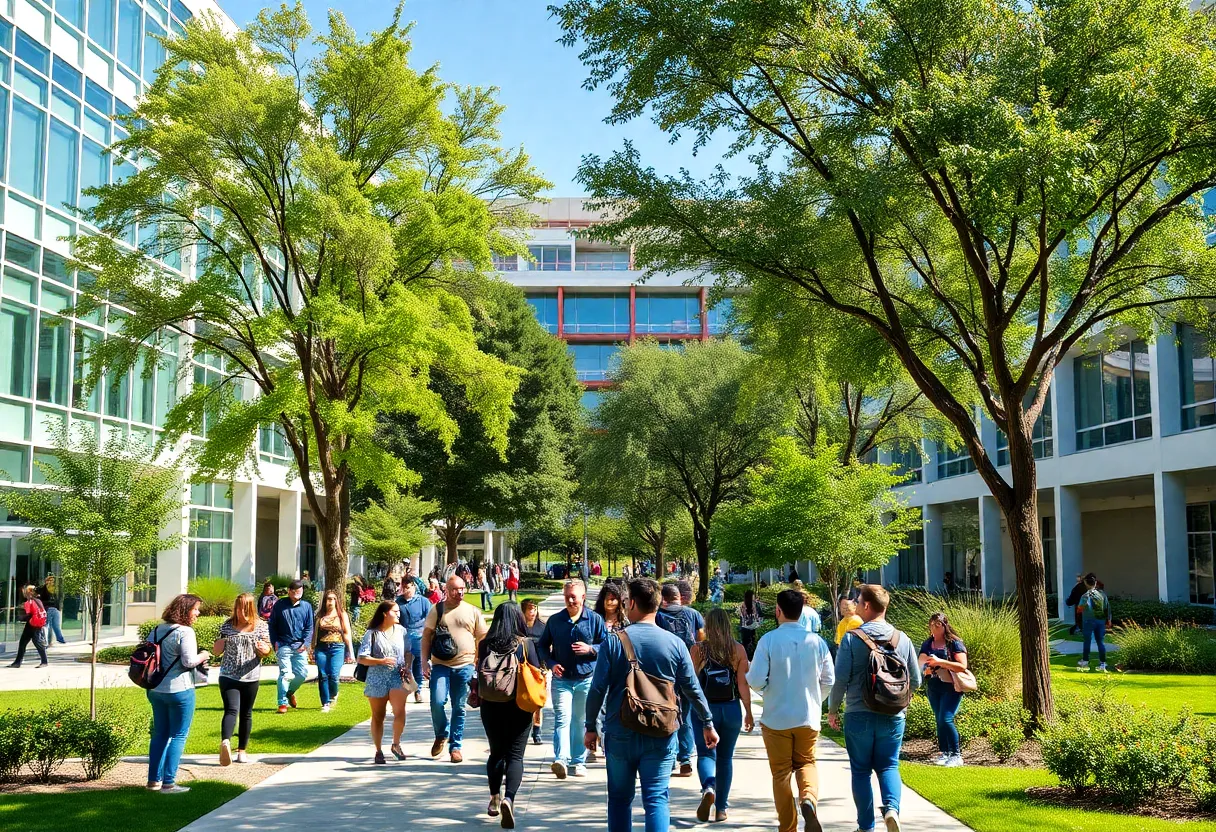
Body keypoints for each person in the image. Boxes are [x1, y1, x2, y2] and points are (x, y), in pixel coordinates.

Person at [585, 577, 719, 832]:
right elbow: (692, 688)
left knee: (619, 799)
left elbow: (597, 689)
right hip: (661, 729)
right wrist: (707, 722)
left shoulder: (614, 642)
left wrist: (590, 726)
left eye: (625, 601)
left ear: (632, 603)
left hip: (620, 729)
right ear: (657, 605)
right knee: (656, 799)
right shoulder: (675, 644)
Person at [828, 584, 922, 832]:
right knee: (889, 765)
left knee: (860, 771)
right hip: (893, 714)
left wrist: (833, 709)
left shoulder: (852, 638)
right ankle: (892, 810)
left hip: (859, 713)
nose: (856, 606)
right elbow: (917, 679)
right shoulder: (902, 639)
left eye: (858, 602)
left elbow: (840, 680)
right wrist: (904, 698)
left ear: (867, 606)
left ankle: (866, 826)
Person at [747, 589, 835, 832]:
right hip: (807, 716)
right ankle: (808, 799)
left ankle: (788, 827)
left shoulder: (768, 640)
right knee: (807, 763)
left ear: (778, 611)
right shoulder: (817, 642)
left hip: (776, 718)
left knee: (781, 774)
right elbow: (829, 679)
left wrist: (767, 690)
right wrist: (817, 700)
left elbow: (754, 679)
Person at [479, 602, 542, 828]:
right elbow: (535, 672)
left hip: (491, 705)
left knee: (496, 753)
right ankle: (509, 799)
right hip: (518, 705)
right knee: (515, 756)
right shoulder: (525, 644)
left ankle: (494, 798)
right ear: (518, 618)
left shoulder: (485, 644)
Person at [690, 607, 754, 823]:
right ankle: (721, 809)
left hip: (704, 710)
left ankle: (708, 787)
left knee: (706, 754)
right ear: (728, 625)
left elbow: (691, 684)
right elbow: (742, 684)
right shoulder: (738, 650)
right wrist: (748, 712)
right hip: (731, 708)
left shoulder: (698, 650)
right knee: (725, 758)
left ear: (708, 626)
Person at [538, 579, 607, 779]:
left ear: (583, 597)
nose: (570, 600)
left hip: (586, 678)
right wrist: (551, 664)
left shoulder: (594, 620)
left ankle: (578, 761)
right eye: (567, 596)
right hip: (562, 679)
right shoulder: (555, 621)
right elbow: (542, 646)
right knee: (562, 718)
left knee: (579, 720)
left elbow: (606, 645)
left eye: (574, 597)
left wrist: (591, 649)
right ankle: (560, 759)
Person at [145, 593, 210, 793]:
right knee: (179, 735)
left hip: (155, 689)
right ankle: (169, 783)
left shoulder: (156, 630)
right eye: (195, 609)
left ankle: (153, 781)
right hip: (180, 690)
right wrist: (204, 655)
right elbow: (189, 662)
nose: (198, 613)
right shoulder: (185, 632)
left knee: (160, 734)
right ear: (185, 610)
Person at [422, 575, 488, 763]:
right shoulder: (438, 609)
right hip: (441, 664)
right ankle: (442, 733)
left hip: (465, 665)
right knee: (437, 701)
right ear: (447, 590)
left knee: (459, 707)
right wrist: (424, 662)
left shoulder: (473, 611)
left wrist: (479, 660)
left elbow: (482, 637)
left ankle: (455, 746)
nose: (460, 592)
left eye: (462, 588)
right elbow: (426, 636)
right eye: (455, 589)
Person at [214, 592, 272, 765]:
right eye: (240, 609)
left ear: (252, 609)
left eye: (246, 609)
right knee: (231, 709)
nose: (243, 613)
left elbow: (267, 650)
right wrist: (220, 644)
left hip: (251, 676)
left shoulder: (261, 626)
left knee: (246, 713)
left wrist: (264, 649)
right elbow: (217, 651)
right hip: (228, 675)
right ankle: (225, 742)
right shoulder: (227, 626)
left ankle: (242, 751)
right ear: (236, 608)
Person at [656, 581, 705, 777]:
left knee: (668, 714)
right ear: (679, 597)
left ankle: (670, 757)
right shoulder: (693, 615)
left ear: (664, 599)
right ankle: (685, 758)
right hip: (688, 672)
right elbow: (702, 641)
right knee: (686, 716)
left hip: (665, 673)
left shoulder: (659, 616)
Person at [358, 601, 411, 764]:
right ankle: (378, 750)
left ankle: (396, 744)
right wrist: (381, 661)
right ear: (384, 613)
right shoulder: (372, 634)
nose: (398, 614)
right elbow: (361, 658)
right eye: (395, 611)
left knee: (400, 711)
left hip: (397, 676)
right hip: (377, 678)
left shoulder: (402, 631)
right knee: (378, 715)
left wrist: (407, 666)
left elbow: (408, 652)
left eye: (399, 611)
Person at [918, 612, 969, 768]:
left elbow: (962, 666)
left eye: (937, 625)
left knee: (946, 718)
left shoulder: (954, 643)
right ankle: (945, 752)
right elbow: (921, 661)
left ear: (945, 626)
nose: (934, 628)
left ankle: (956, 754)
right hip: (934, 686)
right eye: (931, 625)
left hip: (951, 687)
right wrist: (926, 667)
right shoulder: (928, 643)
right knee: (939, 719)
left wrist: (941, 662)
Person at [268, 580, 315, 714]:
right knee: (286, 674)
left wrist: (305, 644)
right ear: (289, 591)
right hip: (283, 645)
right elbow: (272, 625)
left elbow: (309, 627)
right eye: (295, 591)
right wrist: (275, 642)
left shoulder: (306, 606)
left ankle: (290, 692)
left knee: (302, 674)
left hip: (299, 646)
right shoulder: (279, 605)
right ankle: (282, 703)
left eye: (300, 591)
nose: (298, 593)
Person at [313, 590, 355, 713]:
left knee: (334, 674)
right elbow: (314, 633)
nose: (330, 602)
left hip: (337, 646)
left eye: (333, 599)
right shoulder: (319, 615)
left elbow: (347, 633)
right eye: (328, 599)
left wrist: (351, 652)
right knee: (323, 674)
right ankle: (325, 702)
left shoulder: (342, 615)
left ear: (337, 601)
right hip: (321, 647)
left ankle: (333, 694)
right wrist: (311, 648)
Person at [396, 576, 433, 704]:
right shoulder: (398, 602)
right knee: (405, 664)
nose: (407, 590)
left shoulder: (423, 601)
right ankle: (406, 688)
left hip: (419, 636)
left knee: (418, 662)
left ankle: (418, 690)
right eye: (404, 587)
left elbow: (431, 618)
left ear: (414, 586)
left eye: (409, 587)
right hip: (404, 636)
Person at [522, 598, 548, 745]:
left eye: (535, 608)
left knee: (538, 701)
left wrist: (545, 667)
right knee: (524, 699)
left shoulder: (542, 627)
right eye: (530, 609)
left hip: (539, 669)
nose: (532, 612)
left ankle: (537, 731)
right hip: (523, 668)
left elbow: (547, 647)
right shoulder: (519, 627)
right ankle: (523, 729)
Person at [1078, 573, 1113, 672]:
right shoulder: (1102, 594)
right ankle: (1103, 663)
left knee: (1087, 641)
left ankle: (1085, 661)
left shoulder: (1085, 596)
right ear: (1095, 583)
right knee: (1100, 642)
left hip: (1088, 621)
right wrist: (1109, 620)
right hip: (1100, 621)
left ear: (1085, 583)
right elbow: (1107, 608)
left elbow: (1080, 609)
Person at [8, 585, 48, 668]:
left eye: (26, 591)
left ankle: (43, 662)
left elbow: (28, 614)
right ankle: (18, 662)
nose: (24, 593)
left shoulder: (29, 602)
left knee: (33, 643)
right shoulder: (38, 601)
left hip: (31, 625)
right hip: (37, 624)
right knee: (30, 643)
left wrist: (20, 617)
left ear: (29, 592)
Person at [37, 575, 66, 647]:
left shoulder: (55, 589)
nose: (51, 582)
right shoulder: (43, 589)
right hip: (48, 608)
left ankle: (57, 639)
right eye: (50, 580)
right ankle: (48, 641)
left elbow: (59, 598)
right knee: (48, 626)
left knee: (52, 625)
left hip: (53, 609)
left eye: (52, 581)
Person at [738, 589, 764, 660]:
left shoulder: (742, 605)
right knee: (754, 643)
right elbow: (761, 616)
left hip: (745, 629)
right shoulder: (756, 604)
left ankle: (746, 659)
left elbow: (741, 618)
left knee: (745, 645)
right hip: (754, 628)